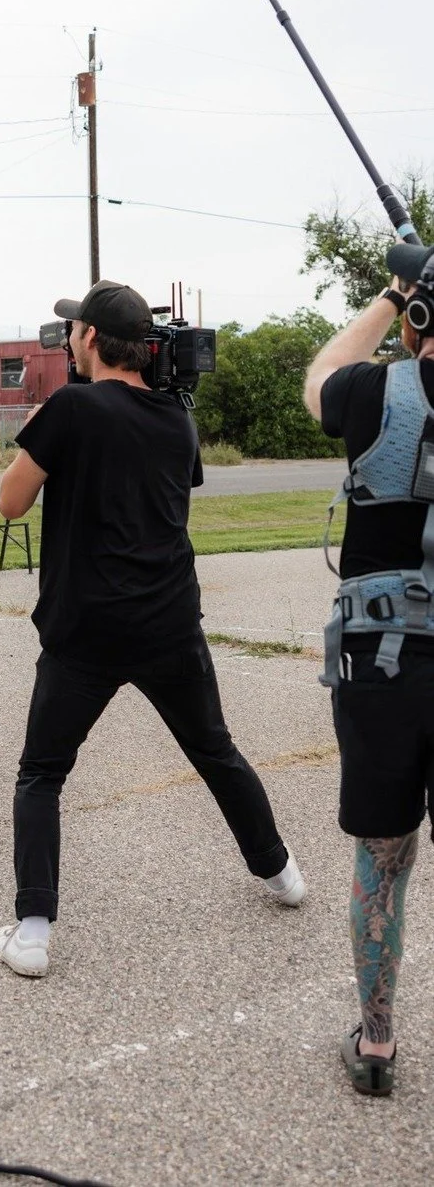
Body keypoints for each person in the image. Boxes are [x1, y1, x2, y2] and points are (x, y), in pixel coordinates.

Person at [0, 279, 304, 979]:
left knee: (42, 773)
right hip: (168, 623)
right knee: (215, 752)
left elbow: (10, 502)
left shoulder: (70, 405)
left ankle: (34, 931)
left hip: (86, 630)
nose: (68, 338)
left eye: (74, 330)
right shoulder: (175, 418)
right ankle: (281, 874)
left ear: (92, 339)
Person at [303, 249, 434, 1095]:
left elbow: (322, 374)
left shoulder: (376, 393)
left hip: (387, 661)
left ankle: (377, 1044)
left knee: (383, 859)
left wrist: (395, 294)